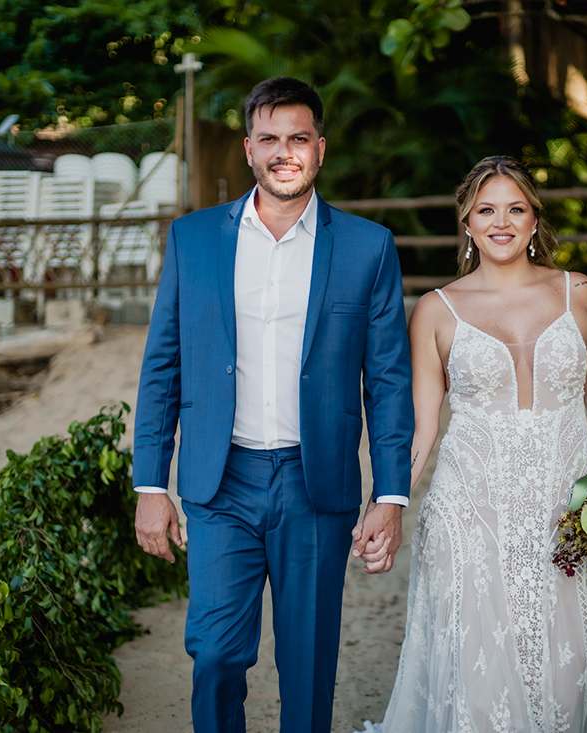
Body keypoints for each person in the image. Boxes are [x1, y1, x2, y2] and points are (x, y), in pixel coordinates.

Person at [131, 77, 415, 733]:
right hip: (219, 480)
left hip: (316, 484)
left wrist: (391, 495)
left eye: (297, 138)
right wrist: (151, 481)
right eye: (269, 139)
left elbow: (390, 380)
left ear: (319, 147)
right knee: (216, 653)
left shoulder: (367, 246)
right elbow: (162, 365)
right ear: (248, 149)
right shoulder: (193, 238)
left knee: (308, 665)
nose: (283, 152)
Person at [355, 155, 587, 732]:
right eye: (486, 210)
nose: (501, 221)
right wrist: (389, 500)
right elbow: (421, 428)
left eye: (515, 209)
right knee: (481, 686)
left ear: (535, 221)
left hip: (569, 514)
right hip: (471, 517)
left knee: (569, 676)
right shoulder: (436, 310)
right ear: (467, 222)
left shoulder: (579, 293)